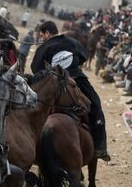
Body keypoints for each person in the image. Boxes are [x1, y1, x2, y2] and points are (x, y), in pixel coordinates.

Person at [31, 20, 110, 161]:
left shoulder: (43, 48)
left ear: (47, 33)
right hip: (77, 80)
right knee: (95, 104)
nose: (42, 38)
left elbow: (36, 70)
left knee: (35, 109)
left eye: (42, 35)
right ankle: (100, 146)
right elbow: (83, 57)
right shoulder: (71, 42)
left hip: (54, 85)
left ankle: (32, 145)